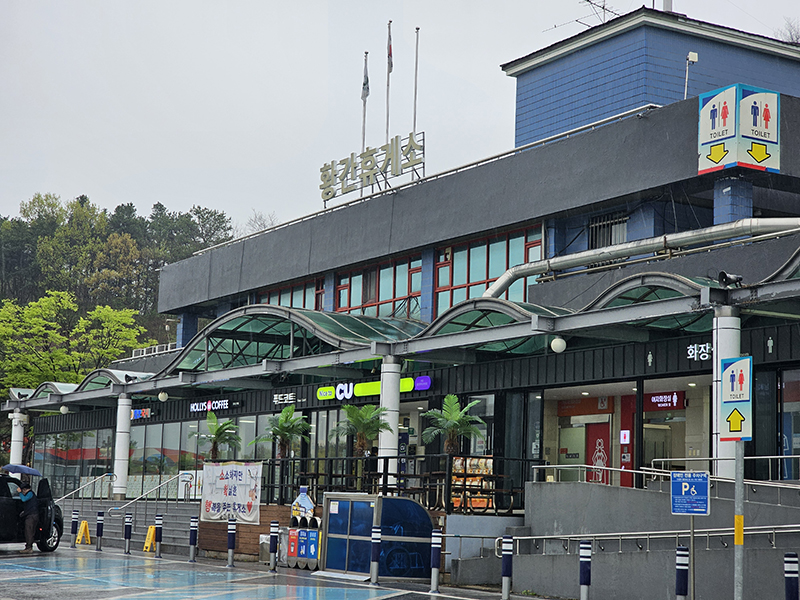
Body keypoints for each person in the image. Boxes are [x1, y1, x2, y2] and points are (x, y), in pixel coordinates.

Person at [17, 481, 38, 553]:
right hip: (31, 515)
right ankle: (28, 547)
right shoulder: (31, 494)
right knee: (29, 531)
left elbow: (24, 499)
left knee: (29, 532)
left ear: (25, 489)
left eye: (23, 490)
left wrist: (20, 493)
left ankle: (29, 547)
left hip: (32, 516)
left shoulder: (30, 493)